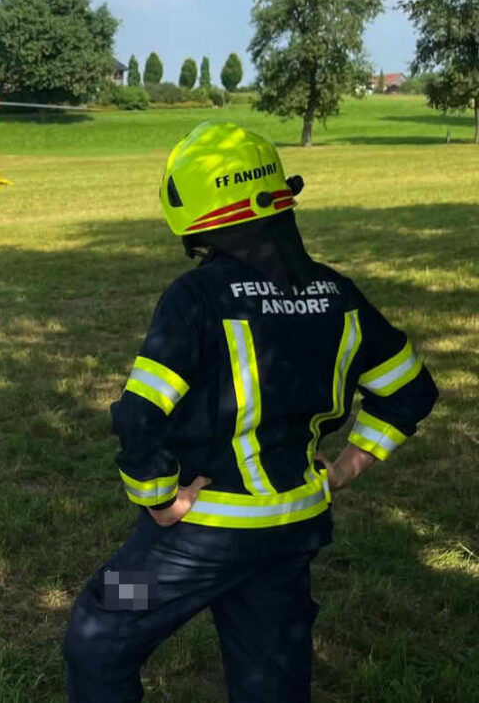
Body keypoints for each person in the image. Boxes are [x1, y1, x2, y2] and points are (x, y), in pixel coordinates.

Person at [63, 122, 438, 702]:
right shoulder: (340, 295)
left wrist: (160, 498)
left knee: (98, 628)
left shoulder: (196, 297)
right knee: (273, 681)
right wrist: (342, 470)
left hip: (192, 544)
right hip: (290, 536)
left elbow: (139, 416)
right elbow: (411, 389)